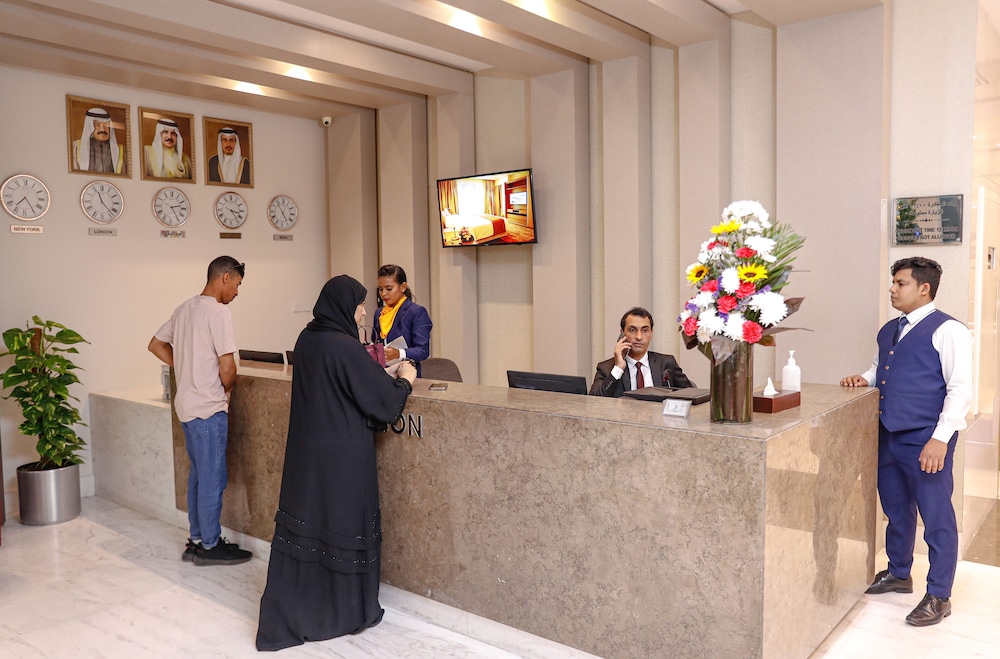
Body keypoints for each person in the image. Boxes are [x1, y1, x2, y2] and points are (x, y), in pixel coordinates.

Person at [255, 275, 417, 651]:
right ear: (344, 305)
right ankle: (345, 611)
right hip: (342, 456)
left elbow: (341, 383)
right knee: (343, 523)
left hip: (308, 456)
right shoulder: (342, 346)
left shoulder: (308, 338)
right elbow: (383, 403)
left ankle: (302, 607)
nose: (363, 311)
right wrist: (405, 380)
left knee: (314, 524)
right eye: (359, 304)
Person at [841, 256, 972, 627]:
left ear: (924, 288)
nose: (892, 289)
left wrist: (940, 439)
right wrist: (863, 379)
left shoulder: (949, 330)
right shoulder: (890, 329)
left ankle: (939, 595)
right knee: (896, 509)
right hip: (888, 433)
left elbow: (960, 389)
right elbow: (879, 368)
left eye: (900, 283)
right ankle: (899, 572)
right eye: (894, 282)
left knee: (936, 516)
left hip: (926, 439)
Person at [148, 256, 252, 566]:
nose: (237, 292)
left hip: (186, 407)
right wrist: (227, 388)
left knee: (198, 476)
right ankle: (210, 545)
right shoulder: (219, 313)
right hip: (208, 408)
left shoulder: (184, 309)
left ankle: (196, 540)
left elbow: (155, 344)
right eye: (237, 284)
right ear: (225, 277)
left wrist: (185, 365)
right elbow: (227, 366)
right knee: (212, 479)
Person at [590, 306, 694, 397]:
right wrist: (618, 368)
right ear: (622, 333)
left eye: (645, 330)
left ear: (651, 333)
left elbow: (691, 394)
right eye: (632, 330)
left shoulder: (666, 363)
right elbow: (594, 401)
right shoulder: (606, 368)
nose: (639, 337)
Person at [373, 264, 433, 376]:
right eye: (380, 289)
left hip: (406, 374)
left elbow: (423, 350)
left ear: (403, 287)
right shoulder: (379, 313)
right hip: (381, 374)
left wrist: (398, 353)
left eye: (389, 289)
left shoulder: (416, 312)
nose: (383, 294)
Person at [72, 107, 123, 174]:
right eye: (97, 124)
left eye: (106, 125)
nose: (102, 129)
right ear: (90, 126)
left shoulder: (122, 151)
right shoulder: (75, 148)